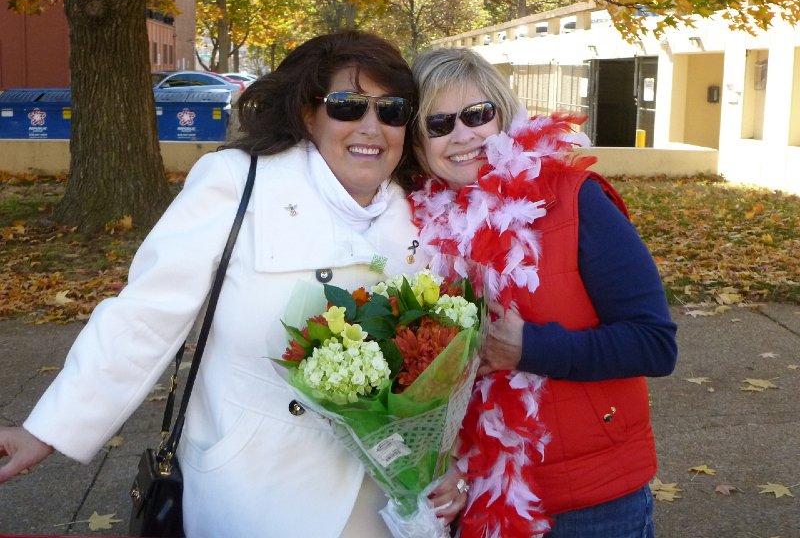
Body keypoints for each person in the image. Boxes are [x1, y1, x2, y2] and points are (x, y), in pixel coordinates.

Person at [0, 31, 467, 536]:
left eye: (391, 110)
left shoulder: (427, 212)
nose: (371, 127)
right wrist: (46, 430)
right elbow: (145, 318)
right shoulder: (237, 182)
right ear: (308, 114)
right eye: (347, 106)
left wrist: (452, 461)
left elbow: (447, 367)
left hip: (387, 496)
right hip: (257, 488)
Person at [409, 47, 678, 537]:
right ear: (418, 142)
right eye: (439, 123)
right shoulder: (413, 227)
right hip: (473, 497)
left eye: (477, 115)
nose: (463, 135)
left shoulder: (576, 199)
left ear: (504, 115)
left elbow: (656, 344)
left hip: (591, 504)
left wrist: (530, 347)